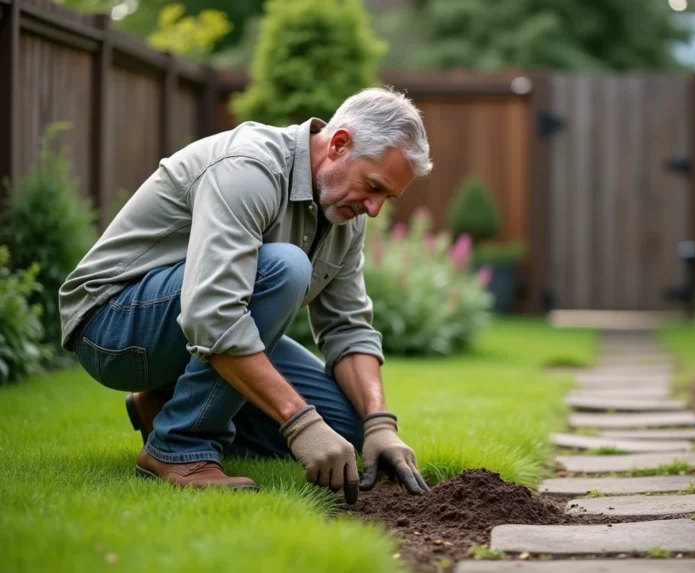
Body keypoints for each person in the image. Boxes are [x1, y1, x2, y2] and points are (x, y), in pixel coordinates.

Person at [58, 86, 434, 504]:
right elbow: (212, 314)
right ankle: (179, 446)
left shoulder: (347, 213)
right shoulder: (249, 167)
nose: (375, 208)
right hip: (113, 323)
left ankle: (166, 402)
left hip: (188, 328)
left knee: (346, 433)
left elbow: (347, 327)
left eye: (387, 196)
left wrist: (380, 423)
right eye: (373, 186)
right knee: (287, 268)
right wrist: (298, 422)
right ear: (340, 144)